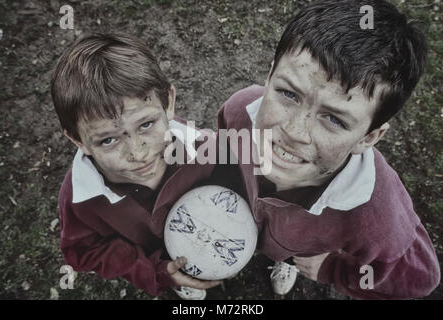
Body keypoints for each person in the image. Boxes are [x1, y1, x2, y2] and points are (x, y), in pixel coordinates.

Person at [216, 0, 440, 299]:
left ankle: (284, 260)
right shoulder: (238, 111)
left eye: (334, 119)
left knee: (285, 251)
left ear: (369, 137)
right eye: (288, 94)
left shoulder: (376, 216)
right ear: (269, 76)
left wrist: (333, 267)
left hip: (300, 247)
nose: (294, 133)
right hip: (248, 223)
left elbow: (420, 277)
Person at [50, 33, 220, 300]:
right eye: (108, 140)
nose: (138, 154)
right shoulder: (79, 199)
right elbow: (84, 251)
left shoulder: (202, 149)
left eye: (146, 125)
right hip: (155, 258)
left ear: (168, 104)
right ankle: (177, 280)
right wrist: (152, 271)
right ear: (77, 140)